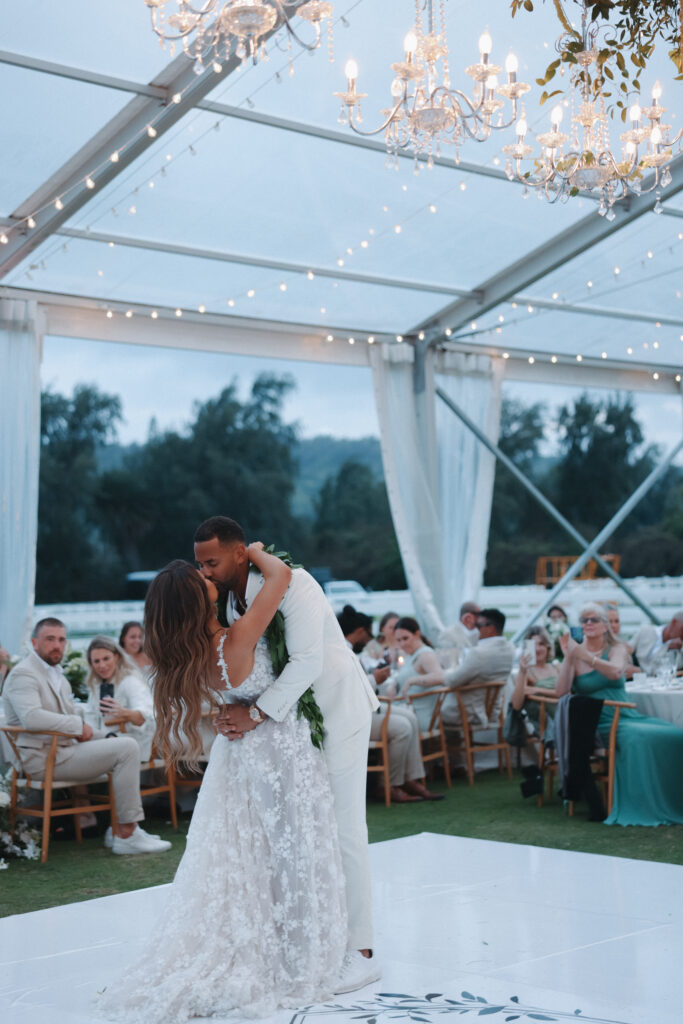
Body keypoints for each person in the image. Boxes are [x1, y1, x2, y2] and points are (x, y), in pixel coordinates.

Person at [99, 544, 348, 1022]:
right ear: (197, 600)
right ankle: (300, 961)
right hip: (278, 750)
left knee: (252, 855)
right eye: (200, 578)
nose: (206, 575)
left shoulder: (192, 656)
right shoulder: (234, 640)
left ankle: (279, 945)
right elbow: (278, 578)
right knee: (292, 850)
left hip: (238, 755)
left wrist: (239, 712)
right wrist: (250, 551)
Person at [193, 516, 380, 994]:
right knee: (305, 831)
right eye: (200, 564)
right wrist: (234, 708)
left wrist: (254, 714)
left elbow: (306, 663)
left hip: (336, 711)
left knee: (342, 827)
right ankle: (314, 933)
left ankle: (361, 953)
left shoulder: (293, 583)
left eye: (212, 562)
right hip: (291, 726)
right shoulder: (228, 598)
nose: (206, 572)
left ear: (240, 554)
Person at [2, 619, 170, 855]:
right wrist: (77, 726)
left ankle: (121, 830)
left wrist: (107, 735)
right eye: (50, 639)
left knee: (122, 745)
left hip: (63, 752)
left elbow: (82, 726)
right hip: (44, 760)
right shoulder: (24, 674)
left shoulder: (56, 676)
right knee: (128, 747)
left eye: (61, 639)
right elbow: (32, 718)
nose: (57, 645)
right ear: (34, 642)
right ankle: (126, 833)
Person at [555, 602, 683, 827]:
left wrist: (585, 656)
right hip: (598, 723)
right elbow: (561, 692)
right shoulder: (576, 656)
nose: (588, 624)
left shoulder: (618, 649)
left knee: (674, 733)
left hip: (627, 715)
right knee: (641, 739)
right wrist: (568, 657)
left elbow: (615, 671)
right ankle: (643, 804)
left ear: (606, 626)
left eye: (594, 619)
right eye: (584, 620)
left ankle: (674, 799)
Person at [338, 607, 442, 804]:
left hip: (362, 707)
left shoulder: (345, 650)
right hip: (349, 716)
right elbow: (346, 689)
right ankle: (389, 785)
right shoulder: (340, 651)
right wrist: (375, 679)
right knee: (401, 728)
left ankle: (409, 779)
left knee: (409, 717)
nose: (370, 640)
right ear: (360, 631)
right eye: (369, 635)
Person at [84, 636, 155, 760]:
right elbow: (90, 718)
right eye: (96, 661)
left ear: (116, 657)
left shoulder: (130, 681)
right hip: (105, 740)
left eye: (106, 658)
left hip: (132, 742)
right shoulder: (96, 686)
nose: (102, 665)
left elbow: (146, 717)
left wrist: (123, 712)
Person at [441, 608, 515, 728]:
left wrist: (442, 673)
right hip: (494, 711)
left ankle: (447, 746)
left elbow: (452, 681)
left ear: (490, 628)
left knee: (431, 708)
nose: (476, 629)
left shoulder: (478, 654)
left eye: (478, 625)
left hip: (470, 714)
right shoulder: (510, 649)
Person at [393, 617, 445, 732]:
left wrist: (412, 680)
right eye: (399, 640)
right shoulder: (412, 655)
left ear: (417, 634)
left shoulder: (425, 654)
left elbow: (441, 677)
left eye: (405, 638)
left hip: (418, 716)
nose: (402, 644)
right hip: (407, 712)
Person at [510, 626, 561, 734]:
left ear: (548, 646)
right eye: (533, 645)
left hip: (566, 714)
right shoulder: (527, 672)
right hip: (548, 724)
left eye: (541, 644)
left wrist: (537, 690)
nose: (537, 649)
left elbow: (567, 693)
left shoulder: (557, 667)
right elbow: (517, 705)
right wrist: (522, 671)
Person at [628, 611, 683, 676]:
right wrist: (626, 665)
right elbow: (626, 649)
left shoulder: (678, 649)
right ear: (674, 622)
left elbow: (665, 671)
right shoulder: (646, 631)